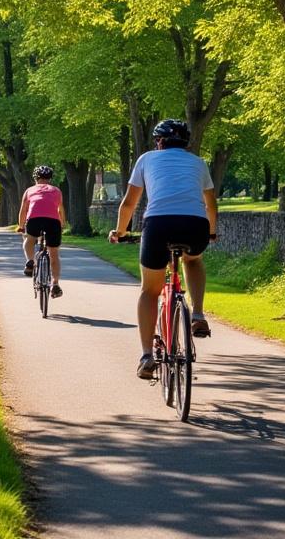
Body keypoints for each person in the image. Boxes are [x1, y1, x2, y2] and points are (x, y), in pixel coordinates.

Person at [108, 119, 218, 380]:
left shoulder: (147, 159)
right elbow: (211, 204)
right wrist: (211, 232)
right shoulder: (198, 163)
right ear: (186, 143)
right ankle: (198, 314)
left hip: (158, 224)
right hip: (195, 224)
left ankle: (147, 355)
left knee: (150, 291)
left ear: (159, 142)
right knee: (193, 260)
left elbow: (128, 204)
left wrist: (120, 232)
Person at [17, 164, 65, 298]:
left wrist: (21, 226)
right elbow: (60, 210)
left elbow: (23, 210)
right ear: (50, 178)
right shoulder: (56, 190)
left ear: (36, 178)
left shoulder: (29, 190)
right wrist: (62, 224)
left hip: (34, 220)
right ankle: (55, 284)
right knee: (54, 253)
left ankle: (30, 261)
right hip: (53, 222)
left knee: (29, 239)